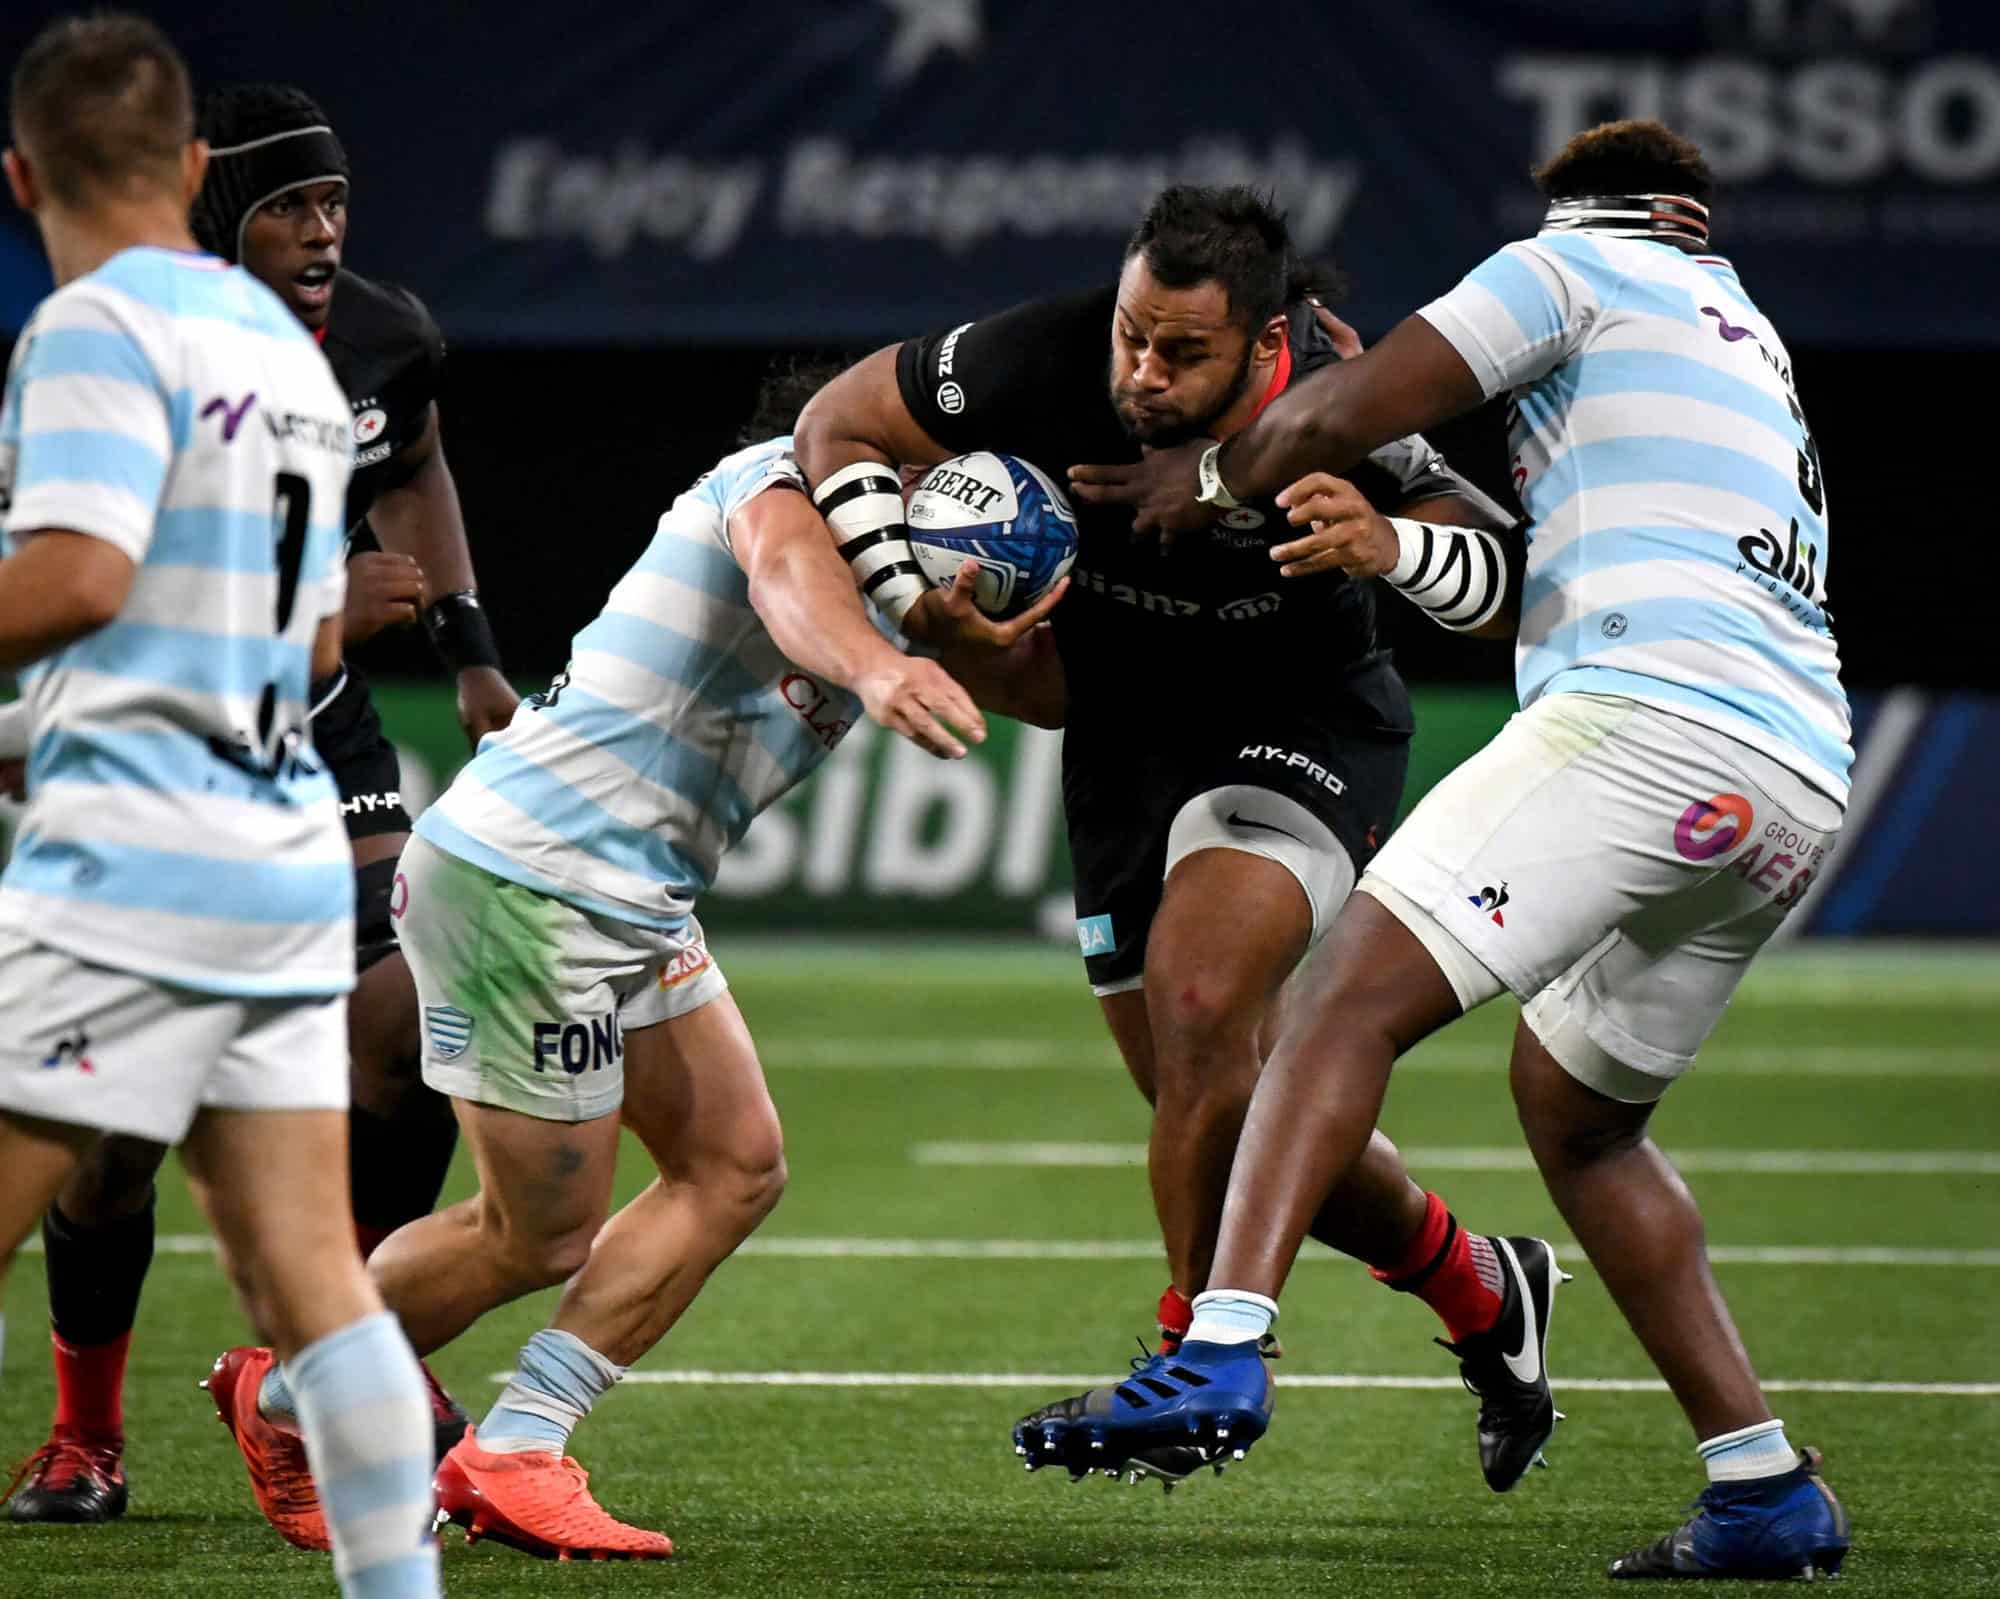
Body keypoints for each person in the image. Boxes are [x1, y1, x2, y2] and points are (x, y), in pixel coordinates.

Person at [1030, 121, 1853, 1581]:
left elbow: (1309, 428)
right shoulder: (1750, 336)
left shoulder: (1568, 267)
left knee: (1343, 993)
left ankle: (1221, 1341)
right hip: (1795, 777)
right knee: (1580, 1116)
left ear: (1581, 207)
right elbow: (1498, 548)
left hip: (1650, 719)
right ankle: (1761, 1479)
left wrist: (1223, 474)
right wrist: (1393, 525)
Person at [209, 362, 1064, 1559]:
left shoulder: (896, 589)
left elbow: (1050, 692)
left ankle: (514, 1448)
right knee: (534, 1236)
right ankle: (285, 1388)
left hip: (630, 903)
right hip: (528, 885)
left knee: (733, 1165)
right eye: (902, 462)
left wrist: (1075, 592)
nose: (920, 487)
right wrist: (876, 670)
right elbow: (783, 578)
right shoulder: (765, 490)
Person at [794, 185, 1557, 1492]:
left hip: (1300, 721)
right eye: (1133, 337)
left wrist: (1390, 546)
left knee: (1206, 994)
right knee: (1215, 1107)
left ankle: (1195, 1349)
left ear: (1267, 345)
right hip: (1120, 736)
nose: (1141, 371)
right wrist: (913, 597)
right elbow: (836, 423)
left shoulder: (1341, 398)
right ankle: (1485, 1285)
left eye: (1182, 352)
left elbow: (1520, 582)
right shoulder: (1042, 351)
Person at [4, 81, 515, 1525]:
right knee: (109, 1136)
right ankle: (84, 1432)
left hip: (305, 744)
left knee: (411, 1015)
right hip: (147, 749)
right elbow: (97, 588)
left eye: (337, 201)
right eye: (291, 202)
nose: (323, 231)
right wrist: (315, 602)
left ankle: (318, 1360)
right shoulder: (126, 355)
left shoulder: (365, 343)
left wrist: (468, 654)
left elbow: (412, 466)